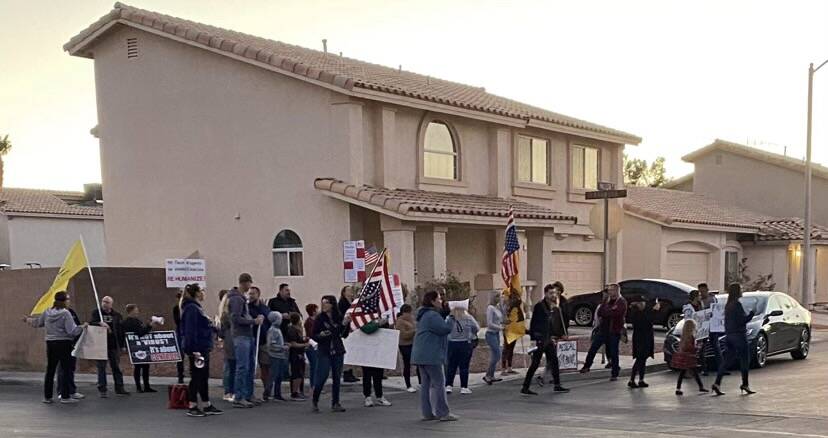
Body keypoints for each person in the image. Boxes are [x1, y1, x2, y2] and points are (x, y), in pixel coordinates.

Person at [25, 291, 88, 404]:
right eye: (68, 299)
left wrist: (27, 320)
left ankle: (47, 396)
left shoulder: (48, 312)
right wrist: (82, 327)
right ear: (64, 301)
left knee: (50, 370)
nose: (69, 301)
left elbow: (38, 323)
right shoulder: (66, 313)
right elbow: (72, 331)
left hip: (50, 343)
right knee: (66, 369)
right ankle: (65, 396)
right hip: (64, 343)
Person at [412, 291, 457, 422]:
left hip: (421, 354)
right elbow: (444, 329)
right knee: (439, 383)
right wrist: (452, 317)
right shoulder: (432, 315)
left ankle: (427, 413)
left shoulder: (424, 314)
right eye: (438, 299)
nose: (441, 300)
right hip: (431, 354)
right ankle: (443, 412)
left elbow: (438, 322)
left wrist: (445, 312)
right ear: (432, 301)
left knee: (425, 384)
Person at [179, 283, 223, 417]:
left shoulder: (197, 308)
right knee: (197, 376)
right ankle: (192, 405)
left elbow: (203, 325)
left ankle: (206, 403)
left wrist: (213, 326)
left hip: (203, 347)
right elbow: (190, 330)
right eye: (202, 290)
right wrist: (194, 349)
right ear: (197, 293)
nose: (204, 293)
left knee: (203, 376)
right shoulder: (192, 308)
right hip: (198, 349)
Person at [521, 284, 570, 395]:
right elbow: (534, 323)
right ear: (546, 294)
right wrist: (534, 339)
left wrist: (558, 335)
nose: (554, 295)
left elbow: (552, 324)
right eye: (551, 293)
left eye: (555, 293)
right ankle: (525, 386)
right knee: (535, 363)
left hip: (548, 339)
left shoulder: (553, 306)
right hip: (540, 339)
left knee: (554, 361)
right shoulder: (540, 306)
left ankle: (557, 385)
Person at [712, 283, 756, 396]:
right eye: (740, 289)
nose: (742, 291)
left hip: (729, 335)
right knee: (744, 359)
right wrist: (751, 314)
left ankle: (717, 383)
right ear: (737, 292)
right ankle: (745, 384)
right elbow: (742, 321)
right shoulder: (737, 305)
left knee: (727, 360)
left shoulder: (729, 305)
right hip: (739, 336)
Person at [228, 273, 262, 408]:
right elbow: (235, 318)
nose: (250, 286)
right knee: (242, 367)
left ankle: (248, 394)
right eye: (249, 283)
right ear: (244, 283)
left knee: (249, 367)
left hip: (247, 335)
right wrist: (253, 321)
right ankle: (239, 396)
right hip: (241, 336)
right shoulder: (237, 299)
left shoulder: (242, 298)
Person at [579, 283, 626, 381]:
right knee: (593, 348)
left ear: (617, 291)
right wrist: (609, 310)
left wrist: (608, 311)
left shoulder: (621, 302)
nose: (609, 292)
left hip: (614, 331)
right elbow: (600, 312)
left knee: (614, 352)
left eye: (612, 290)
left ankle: (614, 373)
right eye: (609, 290)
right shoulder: (607, 301)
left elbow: (617, 313)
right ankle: (587, 366)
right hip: (603, 330)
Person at [311, 295, 349, 413]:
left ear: (332, 304)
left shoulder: (338, 317)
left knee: (337, 377)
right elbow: (314, 335)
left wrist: (345, 324)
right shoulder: (320, 318)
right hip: (324, 350)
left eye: (326, 302)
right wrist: (321, 335)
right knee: (322, 376)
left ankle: (336, 402)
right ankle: (315, 399)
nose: (324, 305)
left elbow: (343, 334)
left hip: (337, 349)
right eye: (323, 302)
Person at [89, 295, 129, 397]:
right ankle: (102, 389)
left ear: (111, 304)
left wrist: (122, 345)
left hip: (113, 345)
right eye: (103, 301)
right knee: (101, 368)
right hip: (100, 345)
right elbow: (91, 324)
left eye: (107, 302)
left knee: (116, 367)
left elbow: (121, 331)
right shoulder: (97, 313)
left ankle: (119, 388)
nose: (104, 303)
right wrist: (99, 323)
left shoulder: (117, 315)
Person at [121, 303, 162, 392]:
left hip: (141, 346)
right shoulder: (130, 322)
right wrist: (149, 326)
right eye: (136, 310)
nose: (137, 311)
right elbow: (140, 332)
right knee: (139, 366)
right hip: (136, 347)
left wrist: (149, 327)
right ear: (131, 311)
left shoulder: (135, 321)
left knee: (145, 366)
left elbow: (142, 330)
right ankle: (140, 387)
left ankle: (145, 386)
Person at [445, 304, 479, 395]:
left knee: (451, 365)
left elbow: (445, 329)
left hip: (452, 343)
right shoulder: (468, 318)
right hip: (465, 343)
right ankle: (464, 387)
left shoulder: (449, 319)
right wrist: (472, 334)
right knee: (464, 366)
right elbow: (476, 328)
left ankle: (448, 385)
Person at [55, 298, 84, 401]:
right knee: (62, 369)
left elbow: (76, 325)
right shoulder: (57, 313)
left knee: (71, 368)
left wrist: (81, 328)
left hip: (72, 345)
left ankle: (72, 390)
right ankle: (61, 392)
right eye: (66, 300)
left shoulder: (71, 312)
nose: (68, 301)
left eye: (68, 300)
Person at [628, 297, 660, 388]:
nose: (643, 305)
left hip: (646, 338)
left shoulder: (644, 312)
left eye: (643, 303)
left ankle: (641, 379)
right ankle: (632, 379)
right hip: (640, 339)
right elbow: (647, 321)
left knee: (643, 360)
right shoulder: (636, 314)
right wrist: (654, 311)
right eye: (641, 303)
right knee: (639, 359)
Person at [672, 319, 709, 396]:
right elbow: (689, 346)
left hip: (684, 356)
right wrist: (697, 347)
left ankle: (678, 388)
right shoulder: (690, 336)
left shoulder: (684, 336)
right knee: (695, 372)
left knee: (682, 373)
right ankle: (701, 387)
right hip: (689, 357)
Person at [247, 286, 271, 401]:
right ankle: (249, 393)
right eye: (249, 293)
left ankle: (267, 391)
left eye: (253, 294)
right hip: (252, 340)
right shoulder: (246, 308)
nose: (251, 296)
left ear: (258, 294)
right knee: (251, 366)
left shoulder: (264, 308)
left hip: (264, 340)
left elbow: (270, 319)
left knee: (265, 366)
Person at [217, 290, 236, 401]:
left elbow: (221, 333)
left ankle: (228, 390)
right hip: (232, 341)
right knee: (232, 367)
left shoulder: (224, 316)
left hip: (228, 342)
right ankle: (230, 391)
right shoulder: (230, 316)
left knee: (230, 367)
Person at [337, 285, 359, 383]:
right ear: (344, 292)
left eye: (351, 290)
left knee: (353, 352)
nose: (351, 292)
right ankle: (346, 373)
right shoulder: (342, 303)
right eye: (348, 290)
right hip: (345, 330)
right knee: (347, 353)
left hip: (353, 329)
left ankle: (351, 373)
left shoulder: (354, 302)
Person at [265, 312, 289, 401]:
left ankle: (277, 393)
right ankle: (267, 393)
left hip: (280, 355)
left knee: (279, 376)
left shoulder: (277, 329)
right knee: (273, 375)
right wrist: (282, 347)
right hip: (275, 355)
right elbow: (271, 345)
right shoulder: (272, 330)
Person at [286, 312, 309, 401]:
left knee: (300, 373)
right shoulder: (292, 330)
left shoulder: (298, 329)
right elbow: (293, 344)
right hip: (295, 354)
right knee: (296, 373)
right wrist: (305, 345)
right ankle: (295, 393)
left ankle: (298, 391)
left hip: (300, 353)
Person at [395, 304, 419, 392]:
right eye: (408, 313)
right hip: (404, 345)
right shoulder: (400, 321)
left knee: (418, 363)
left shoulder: (411, 320)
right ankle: (408, 384)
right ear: (403, 313)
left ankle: (421, 382)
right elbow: (403, 335)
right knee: (407, 364)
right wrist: (414, 331)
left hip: (413, 344)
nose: (410, 315)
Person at [482, 294, 504, 385]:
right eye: (497, 296)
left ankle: (491, 375)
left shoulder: (497, 307)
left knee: (495, 355)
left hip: (496, 334)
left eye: (500, 296)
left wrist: (502, 306)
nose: (499, 298)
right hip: (491, 334)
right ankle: (487, 375)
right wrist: (500, 328)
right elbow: (489, 323)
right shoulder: (490, 308)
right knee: (497, 354)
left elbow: (502, 318)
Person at [500, 288, 522, 376]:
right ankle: (503, 368)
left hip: (514, 327)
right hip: (508, 328)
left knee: (511, 348)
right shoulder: (506, 305)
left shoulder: (516, 306)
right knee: (506, 347)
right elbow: (504, 316)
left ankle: (509, 367)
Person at [304, 303, 319, 389]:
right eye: (317, 309)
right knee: (314, 365)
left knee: (316, 366)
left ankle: (315, 384)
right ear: (313, 312)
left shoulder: (315, 321)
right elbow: (311, 334)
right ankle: (313, 385)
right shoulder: (309, 322)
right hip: (312, 345)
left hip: (316, 345)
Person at [172, 291, 185, 384]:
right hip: (180, 332)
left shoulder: (188, 308)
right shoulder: (176, 309)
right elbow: (177, 321)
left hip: (187, 332)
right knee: (180, 356)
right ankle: (180, 375)